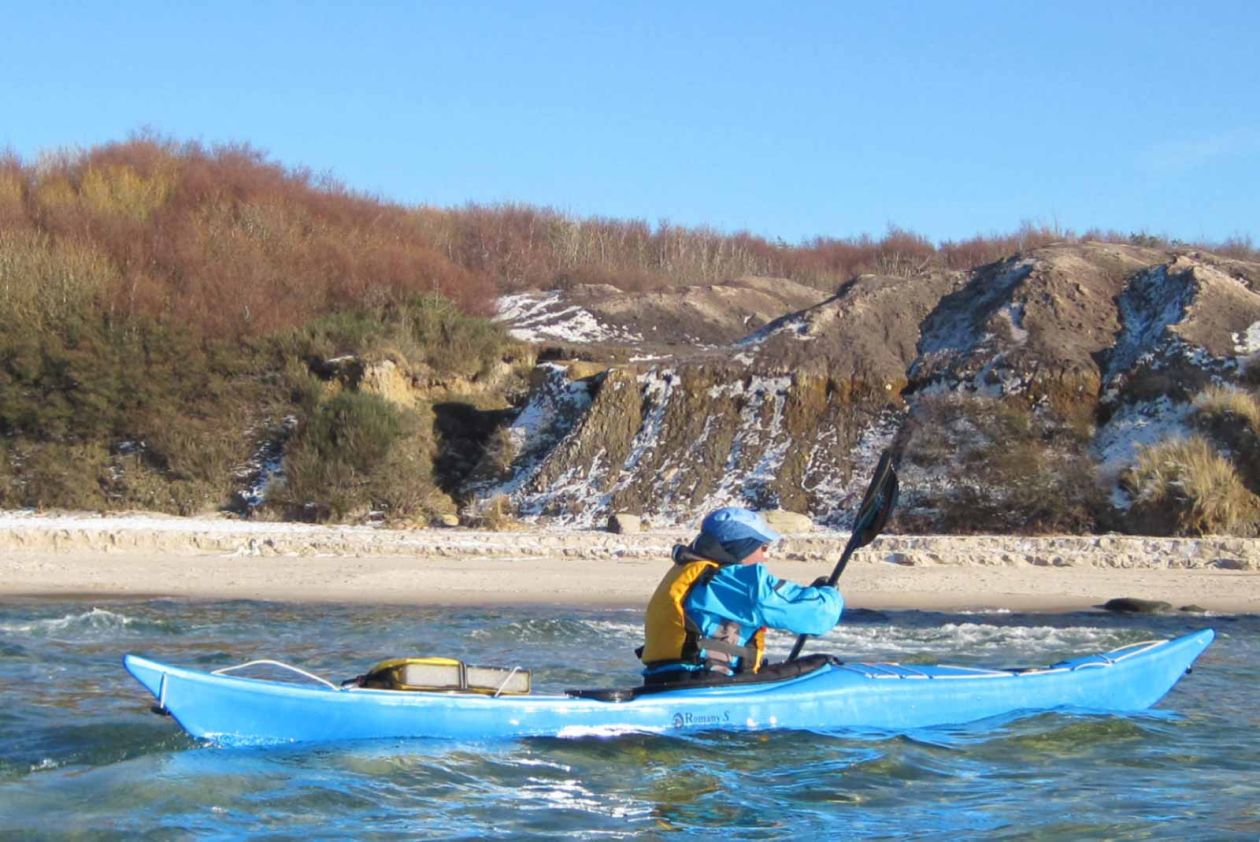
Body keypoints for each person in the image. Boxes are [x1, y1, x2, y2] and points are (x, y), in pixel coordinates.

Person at [639, 506, 842, 685]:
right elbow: (819, 616)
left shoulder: (691, 571)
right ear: (742, 548)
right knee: (824, 664)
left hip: (663, 680)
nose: (765, 555)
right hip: (707, 684)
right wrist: (829, 594)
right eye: (762, 547)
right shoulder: (734, 582)